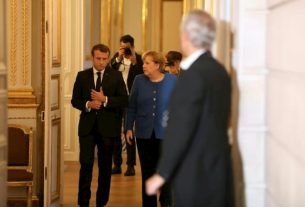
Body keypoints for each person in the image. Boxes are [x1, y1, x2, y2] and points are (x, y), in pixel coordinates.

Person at [146, 10, 235, 207]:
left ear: (185, 35)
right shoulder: (220, 71)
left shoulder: (191, 75)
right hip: (218, 167)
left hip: (195, 172)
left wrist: (162, 174)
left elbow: (180, 128)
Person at [71, 44, 128, 207]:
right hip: (87, 128)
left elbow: (124, 100)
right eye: (98, 59)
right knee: (86, 165)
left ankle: (101, 202)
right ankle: (83, 202)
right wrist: (88, 104)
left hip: (108, 129)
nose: (102, 62)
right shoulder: (82, 76)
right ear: (92, 57)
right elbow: (75, 100)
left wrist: (105, 100)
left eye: (105, 59)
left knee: (105, 167)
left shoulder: (116, 76)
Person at [125, 51, 177, 207]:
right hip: (143, 134)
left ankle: (166, 202)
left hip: (166, 135)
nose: (144, 65)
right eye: (144, 62)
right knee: (148, 173)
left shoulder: (172, 80)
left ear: (158, 65)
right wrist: (128, 127)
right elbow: (132, 105)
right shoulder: (139, 80)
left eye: (147, 63)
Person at [110, 34, 143, 176]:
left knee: (129, 132)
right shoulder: (116, 58)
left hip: (131, 100)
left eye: (127, 47)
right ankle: (117, 164)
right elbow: (109, 72)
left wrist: (134, 61)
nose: (125, 50)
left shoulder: (139, 59)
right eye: (122, 47)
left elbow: (142, 75)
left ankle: (131, 165)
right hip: (117, 100)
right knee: (115, 132)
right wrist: (119, 58)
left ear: (133, 47)